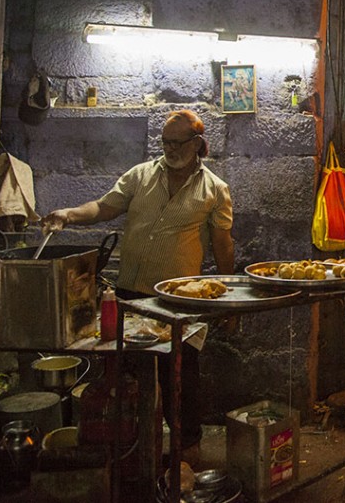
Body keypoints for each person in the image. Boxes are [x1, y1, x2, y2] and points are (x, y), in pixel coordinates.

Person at [42, 109, 234, 454]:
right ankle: (132, 446)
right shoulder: (140, 176)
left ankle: (186, 448)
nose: (170, 149)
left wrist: (228, 300)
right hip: (131, 295)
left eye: (178, 143)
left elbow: (222, 246)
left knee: (181, 377)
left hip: (179, 300)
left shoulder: (215, 190)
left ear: (198, 144)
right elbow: (103, 208)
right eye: (165, 142)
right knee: (127, 377)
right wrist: (68, 214)